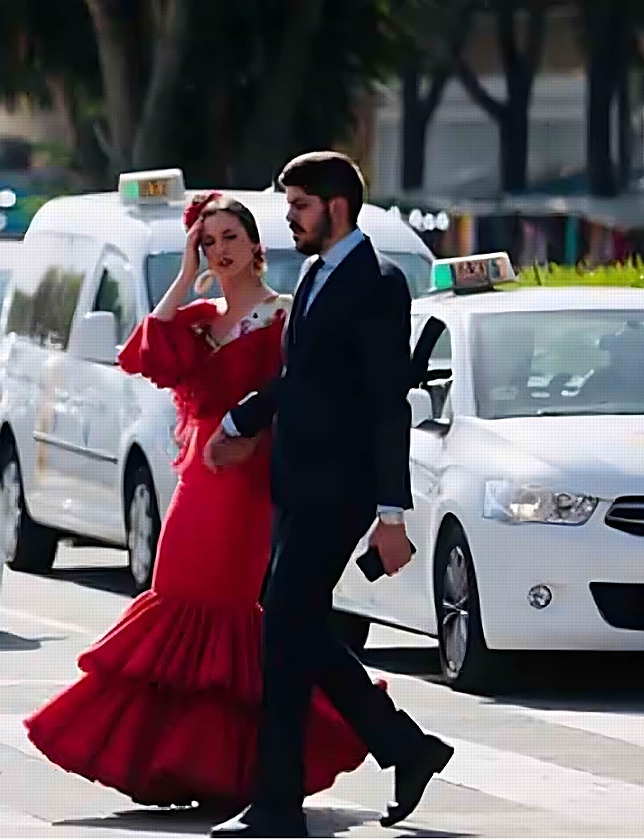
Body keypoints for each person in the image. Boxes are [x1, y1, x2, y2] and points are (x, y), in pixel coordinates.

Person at [23, 192, 385, 809]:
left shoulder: (284, 316)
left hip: (256, 484)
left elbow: (306, 397)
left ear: (255, 247)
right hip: (198, 485)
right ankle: (176, 765)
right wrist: (185, 274)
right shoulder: (197, 317)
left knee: (243, 619)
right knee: (176, 605)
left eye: (228, 239)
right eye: (207, 242)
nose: (219, 251)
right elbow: (141, 354)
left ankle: (248, 775)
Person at [206, 152, 454, 839]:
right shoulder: (316, 273)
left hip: (339, 491)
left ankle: (278, 806)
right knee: (291, 627)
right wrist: (242, 419)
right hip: (297, 481)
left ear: (336, 208)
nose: (289, 220)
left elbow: (386, 404)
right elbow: (304, 376)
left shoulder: (378, 283)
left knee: (284, 637)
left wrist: (390, 513)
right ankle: (406, 747)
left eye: (299, 207)